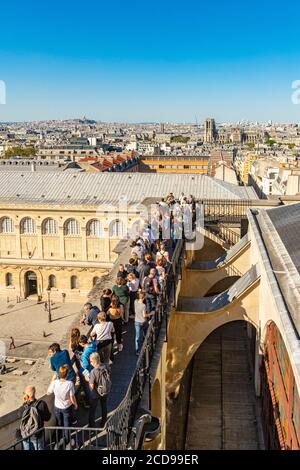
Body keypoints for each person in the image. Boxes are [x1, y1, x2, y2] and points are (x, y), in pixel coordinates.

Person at [47, 365, 78, 448]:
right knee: (67, 425)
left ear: (59, 373)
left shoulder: (55, 383)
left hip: (57, 406)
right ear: (67, 374)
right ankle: (67, 441)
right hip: (66, 407)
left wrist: (52, 380)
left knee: (59, 424)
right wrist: (75, 404)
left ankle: (59, 439)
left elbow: (48, 392)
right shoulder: (70, 384)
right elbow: (72, 397)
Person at [18, 385, 51, 450]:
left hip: (25, 436)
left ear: (26, 396)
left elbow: (20, 418)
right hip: (37, 435)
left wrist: (24, 403)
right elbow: (47, 418)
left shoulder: (22, 408)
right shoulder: (41, 404)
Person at [88, 352, 109, 428]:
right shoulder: (106, 366)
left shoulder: (93, 372)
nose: (90, 363)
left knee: (92, 410)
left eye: (90, 361)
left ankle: (92, 426)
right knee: (104, 406)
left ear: (94, 361)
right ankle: (104, 422)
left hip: (96, 393)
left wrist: (88, 379)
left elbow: (91, 387)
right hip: (105, 389)